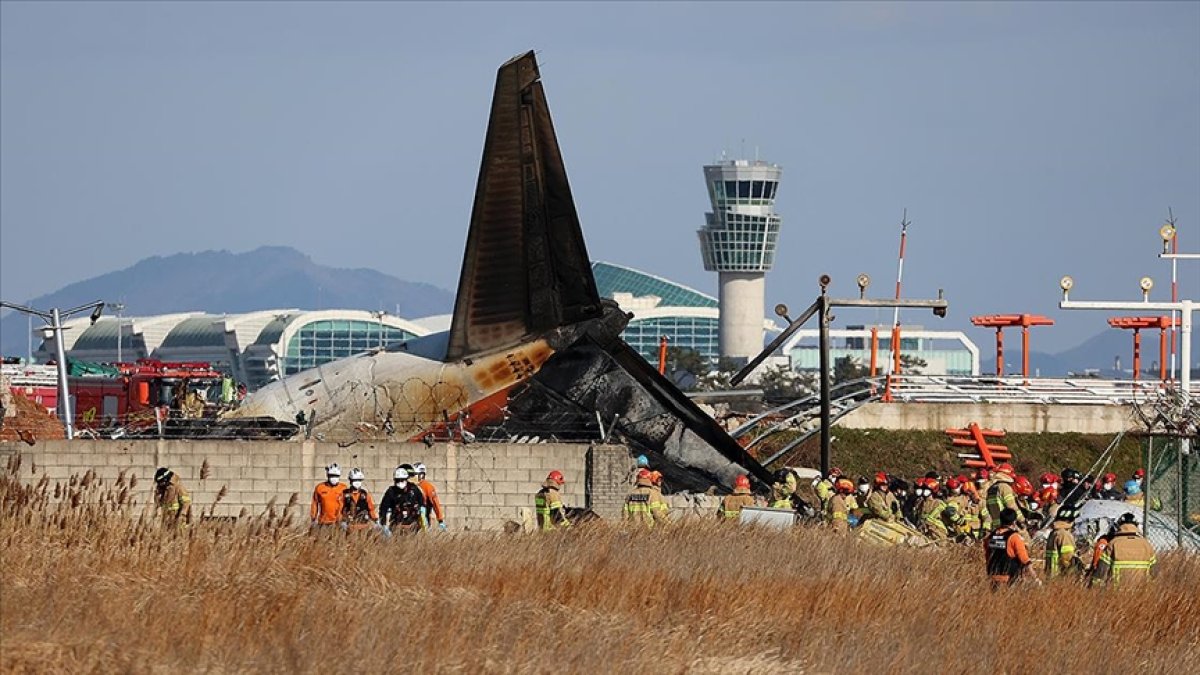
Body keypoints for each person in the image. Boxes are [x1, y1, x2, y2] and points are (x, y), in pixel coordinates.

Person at [1092, 512, 1157, 587]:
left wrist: (1094, 587)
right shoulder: (1146, 545)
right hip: (1142, 592)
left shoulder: (1113, 543)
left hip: (1117, 592)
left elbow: (1101, 570)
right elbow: (1154, 573)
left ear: (1119, 526)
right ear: (1136, 526)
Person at [984, 508, 1036, 588]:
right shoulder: (1014, 537)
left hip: (993, 578)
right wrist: (1035, 578)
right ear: (1014, 522)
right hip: (1009, 580)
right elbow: (1024, 559)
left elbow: (988, 556)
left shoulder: (991, 537)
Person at [379, 466, 426, 535]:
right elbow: (383, 508)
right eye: (398, 480)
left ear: (406, 479)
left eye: (402, 480)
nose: (400, 482)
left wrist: (423, 521)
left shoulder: (414, 489)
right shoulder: (391, 492)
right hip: (396, 526)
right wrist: (383, 524)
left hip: (413, 526)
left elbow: (422, 504)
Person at [983, 463, 1023, 532]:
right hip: (1005, 523)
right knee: (1025, 538)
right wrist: (1022, 519)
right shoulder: (1004, 487)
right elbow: (1011, 506)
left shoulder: (992, 487)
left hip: (995, 525)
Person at [1044, 511, 1078, 578]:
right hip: (1060, 574)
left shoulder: (1054, 533)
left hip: (1051, 573)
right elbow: (1067, 557)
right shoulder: (1064, 534)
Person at [311, 463, 346, 527]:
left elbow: (348, 505)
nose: (334, 478)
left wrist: (345, 520)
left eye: (336, 476)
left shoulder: (343, 488)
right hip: (323, 522)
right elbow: (315, 504)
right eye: (332, 475)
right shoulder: (320, 487)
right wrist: (313, 518)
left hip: (338, 522)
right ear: (327, 475)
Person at [414, 463, 446, 531]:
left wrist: (440, 520)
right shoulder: (409, 486)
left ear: (422, 475)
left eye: (415, 474)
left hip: (423, 519)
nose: (413, 477)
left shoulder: (428, 487)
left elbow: (435, 504)